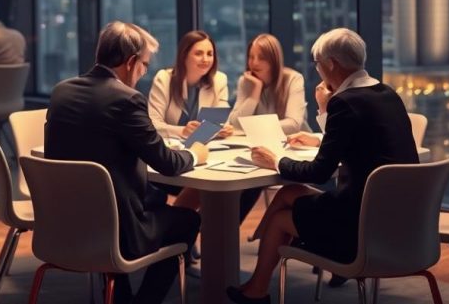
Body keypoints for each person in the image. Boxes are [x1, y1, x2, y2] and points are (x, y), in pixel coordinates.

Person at [225, 28, 418, 304]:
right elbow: (358, 140)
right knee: (287, 194)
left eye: (318, 64)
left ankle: (257, 291)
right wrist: (326, 117)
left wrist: (276, 160)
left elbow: (319, 172)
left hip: (360, 225)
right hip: (398, 219)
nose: (318, 71)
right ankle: (257, 278)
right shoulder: (387, 93)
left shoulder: (345, 102)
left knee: (281, 219)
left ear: (331, 64)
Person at [45, 21, 208, 304]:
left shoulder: (62, 91)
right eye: (144, 64)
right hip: (118, 230)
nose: (144, 72)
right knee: (187, 220)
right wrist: (195, 154)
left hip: (65, 223)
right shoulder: (127, 99)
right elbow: (167, 163)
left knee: (147, 201)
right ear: (131, 62)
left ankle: (120, 296)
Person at [228, 33, 308, 220]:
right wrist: (254, 92)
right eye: (251, 56)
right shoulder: (246, 82)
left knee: (251, 183)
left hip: (294, 149)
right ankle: (223, 238)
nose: (254, 62)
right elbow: (235, 123)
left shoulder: (293, 79)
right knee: (247, 183)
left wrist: (255, 127)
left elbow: (294, 123)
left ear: (274, 60)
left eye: (261, 57)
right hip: (261, 150)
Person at [147, 30, 233, 140]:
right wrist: (182, 131)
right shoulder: (164, 79)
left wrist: (224, 128)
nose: (205, 59)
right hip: (170, 148)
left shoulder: (219, 79)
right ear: (184, 56)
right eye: (198, 53)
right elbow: (153, 124)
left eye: (210, 54)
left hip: (204, 147)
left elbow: (220, 121)